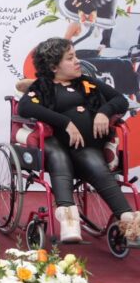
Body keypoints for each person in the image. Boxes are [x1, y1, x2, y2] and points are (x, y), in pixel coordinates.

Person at [17, 37, 140, 242]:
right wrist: (64, 122)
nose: (77, 62)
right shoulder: (42, 86)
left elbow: (120, 100)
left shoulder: (86, 82)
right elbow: (25, 107)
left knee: (97, 166)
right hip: (57, 145)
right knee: (59, 157)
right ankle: (68, 221)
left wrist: (103, 112)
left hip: (86, 147)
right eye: (70, 58)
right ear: (53, 66)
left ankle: (129, 221)